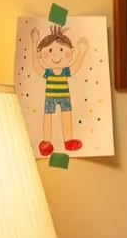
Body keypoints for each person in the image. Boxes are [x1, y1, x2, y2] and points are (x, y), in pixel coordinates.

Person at [31, 24, 88, 157]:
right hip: (50, 98)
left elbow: (75, 66)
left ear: (71, 51)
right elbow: (36, 65)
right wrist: (34, 43)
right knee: (47, 117)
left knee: (66, 115)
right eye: (50, 50)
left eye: (62, 49)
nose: (56, 54)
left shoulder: (65, 71)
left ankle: (68, 141)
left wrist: (82, 52)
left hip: (64, 97)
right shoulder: (48, 72)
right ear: (41, 53)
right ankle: (46, 142)